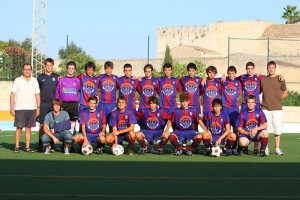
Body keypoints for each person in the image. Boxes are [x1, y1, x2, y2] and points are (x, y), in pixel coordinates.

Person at [10, 63, 40, 153]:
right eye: (25, 69)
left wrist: (38, 107)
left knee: (28, 128)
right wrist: (12, 107)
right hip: (19, 108)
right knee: (19, 128)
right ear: (22, 70)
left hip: (32, 108)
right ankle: (17, 147)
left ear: (31, 70)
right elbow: (12, 95)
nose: (27, 71)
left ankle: (27, 147)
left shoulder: (34, 81)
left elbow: (37, 95)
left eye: (29, 69)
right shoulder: (17, 80)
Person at [260, 61, 288, 155]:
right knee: (265, 129)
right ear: (267, 68)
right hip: (265, 108)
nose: (271, 69)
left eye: (272, 67)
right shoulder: (263, 79)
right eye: (269, 67)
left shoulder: (280, 79)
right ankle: (266, 148)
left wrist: (279, 99)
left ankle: (277, 148)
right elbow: (259, 92)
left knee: (277, 129)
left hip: (277, 108)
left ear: (275, 68)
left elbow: (285, 93)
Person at [55, 61, 80, 152]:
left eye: (72, 68)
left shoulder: (77, 80)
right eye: (69, 68)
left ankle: (71, 144)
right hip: (64, 104)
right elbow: (57, 93)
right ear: (67, 69)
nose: (71, 70)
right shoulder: (61, 80)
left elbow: (81, 91)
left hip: (74, 104)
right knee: (64, 125)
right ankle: (64, 145)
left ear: (75, 70)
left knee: (73, 126)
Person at [36, 58, 59, 151]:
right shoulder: (40, 77)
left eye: (51, 65)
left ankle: (52, 144)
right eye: (47, 65)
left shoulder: (57, 77)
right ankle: (40, 143)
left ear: (53, 66)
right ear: (45, 66)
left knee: (53, 125)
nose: (49, 67)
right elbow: (37, 92)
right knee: (42, 125)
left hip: (54, 104)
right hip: (43, 104)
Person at [221, 66, 242, 154]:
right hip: (225, 108)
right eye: (229, 73)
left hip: (234, 108)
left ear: (235, 74)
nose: (231, 75)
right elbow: (212, 78)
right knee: (226, 127)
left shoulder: (238, 82)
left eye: (233, 73)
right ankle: (227, 145)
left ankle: (235, 146)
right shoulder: (224, 81)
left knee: (235, 128)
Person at [77, 62, 99, 130]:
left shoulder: (97, 79)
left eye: (91, 70)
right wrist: (61, 78)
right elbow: (71, 79)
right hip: (83, 104)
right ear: (86, 70)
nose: (90, 72)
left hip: (92, 105)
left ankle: (92, 138)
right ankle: (81, 138)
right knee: (81, 123)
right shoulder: (81, 76)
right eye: (88, 70)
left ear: (94, 70)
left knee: (91, 123)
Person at [98, 61, 118, 128]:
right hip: (102, 104)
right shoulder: (100, 77)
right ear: (104, 69)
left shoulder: (116, 78)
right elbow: (93, 82)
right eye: (106, 68)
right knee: (101, 125)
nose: (108, 70)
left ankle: (110, 138)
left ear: (112, 69)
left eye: (110, 68)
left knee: (111, 125)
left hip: (112, 105)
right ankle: (102, 137)